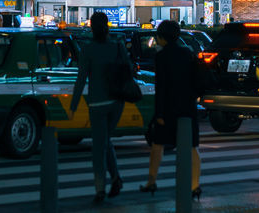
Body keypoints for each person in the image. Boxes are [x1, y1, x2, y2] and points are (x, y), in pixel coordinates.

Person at [69, 12, 127, 203]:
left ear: (92, 27)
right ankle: (116, 178)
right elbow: (128, 71)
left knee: (98, 147)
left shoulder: (88, 49)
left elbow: (81, 78)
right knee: (105, 140)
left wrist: (74, 104)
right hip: (117, 102)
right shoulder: (117, 47)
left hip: (97, 103)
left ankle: (100, 189)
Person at [141, 19, 201, 199]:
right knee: (192, 147)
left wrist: (159, 113)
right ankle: (195, 185)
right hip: (188, 107)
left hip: (168, 108)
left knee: (157, 146)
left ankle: (151, 182)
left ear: (162, 37)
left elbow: (162, 87)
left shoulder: (162, 56)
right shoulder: (188, 53)